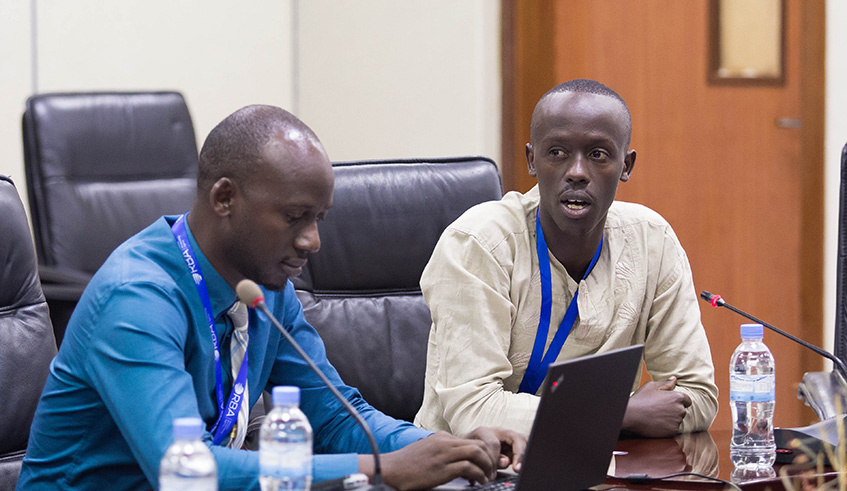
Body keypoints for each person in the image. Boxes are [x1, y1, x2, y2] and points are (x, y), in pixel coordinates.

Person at [16, 105, 525, 491]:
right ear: (224, 198)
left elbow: (334, 415)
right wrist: (382, 467)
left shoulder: (262, 287)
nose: (312, 242)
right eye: (294, 217)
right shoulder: (138, 299)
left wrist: (450, 451)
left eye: (319, 219)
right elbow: (185, 465)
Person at [414, 79, 718, 439]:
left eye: (598, 154)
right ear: (531, 159)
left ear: (626, 165)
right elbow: (475, 412)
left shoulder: (652, 241)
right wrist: (620, 413)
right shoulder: (480, 243)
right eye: (557, 152)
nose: (576, 171)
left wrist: (611, 417)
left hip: (596, 467)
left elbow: (696, 395)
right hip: (472, 469)